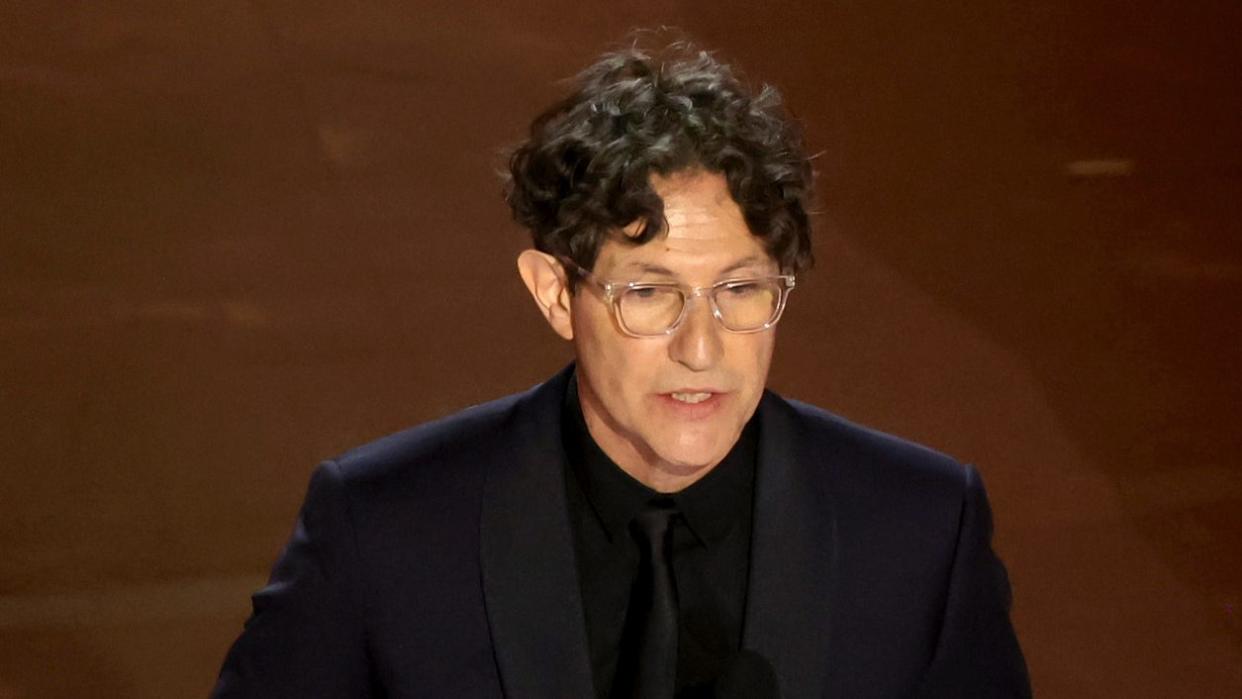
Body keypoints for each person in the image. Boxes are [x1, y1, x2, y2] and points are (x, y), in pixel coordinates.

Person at [211, 36, 1030, 699]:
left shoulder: (921, 531)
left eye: (739, 290)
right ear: (555, 294)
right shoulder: (385, 530)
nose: (702, 349)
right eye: (650, 293)